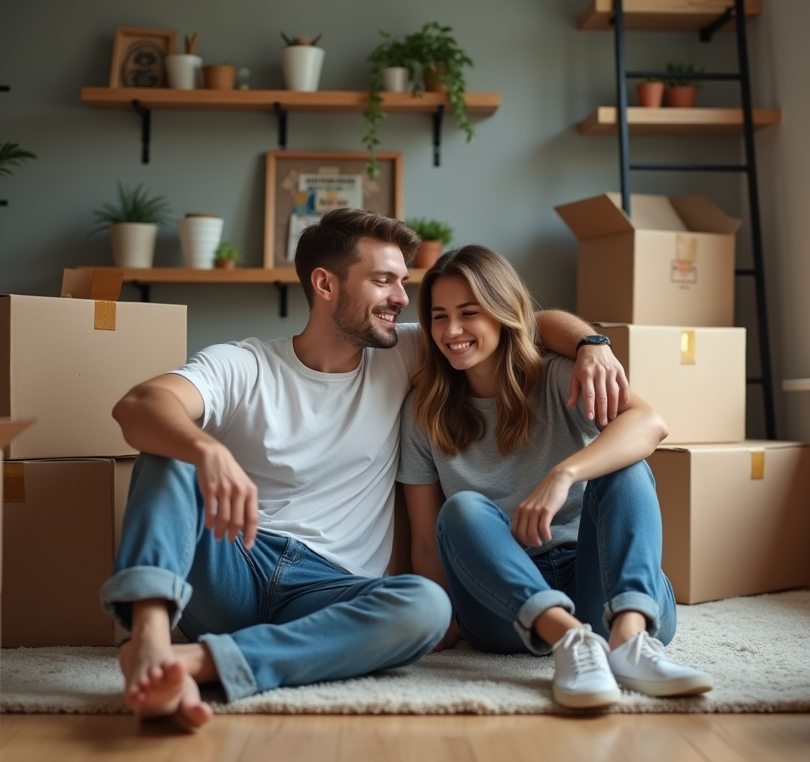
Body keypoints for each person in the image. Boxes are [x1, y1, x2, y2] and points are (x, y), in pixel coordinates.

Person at [101, 210, 633, 730]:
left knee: (424, 606)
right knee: (168, 449)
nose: (403, 299)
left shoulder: (406, 349)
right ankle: (147, 643)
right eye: (384, 281)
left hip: (329, 590)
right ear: (325, 283)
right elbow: (140, 405)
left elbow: (513, 320)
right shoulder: (244, 364)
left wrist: (592, 344)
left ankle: (198, 665)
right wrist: (207, 450)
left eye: (403, 282)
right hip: (234, 560)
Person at [399, 245, 714, 710]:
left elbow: (651, 424)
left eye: (470, 313)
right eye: (439, 317)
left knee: (627, 465)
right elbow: (428, 542)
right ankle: (572, 642)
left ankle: (629, 641)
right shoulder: (424, 412)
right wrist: (442, 614)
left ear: (503, 313)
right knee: (461, 509)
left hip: (599, 581)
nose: (452, 331)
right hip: (506, 603)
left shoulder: (557, 377)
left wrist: (564, 474)